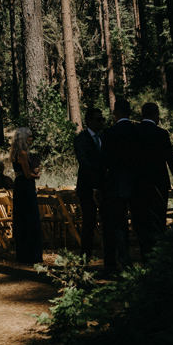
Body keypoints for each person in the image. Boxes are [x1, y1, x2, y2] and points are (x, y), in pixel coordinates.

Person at [133, 102, 173, 258]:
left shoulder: (134, 132)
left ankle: (145, 253)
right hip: (158, 183)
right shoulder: (161, 133)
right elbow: (170, 158)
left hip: (138, 184)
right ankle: (159, 253)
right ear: (155, 115)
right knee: (158, 218)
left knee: (141, 220)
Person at [99, 98, 141, 275]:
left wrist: (99, 186)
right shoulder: (138, 131)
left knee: (119, 223)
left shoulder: (108, 134)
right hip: (138, 183)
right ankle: (148, 259)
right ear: (129, 112)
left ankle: (124, 260)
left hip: (115, 184)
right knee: (140, 222)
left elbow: (103, 162)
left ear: (115, 113)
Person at [74, 107, 106, 262]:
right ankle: (85, 258)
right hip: (87, 187)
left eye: (103, 119)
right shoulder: (81, 139)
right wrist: (99, 173)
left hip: (105, 187)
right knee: (89, 223)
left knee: (108, 222)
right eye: (98, 119)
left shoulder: (105, 137)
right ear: (89, 121)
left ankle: (109, 258)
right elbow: (84, 162)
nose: (102, 122)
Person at [10, 126, 43, 264]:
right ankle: (32, 255)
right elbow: (28, 175)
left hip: (20, 185)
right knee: (31, 218)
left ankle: (25, 253)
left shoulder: (17, 152)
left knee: (23, 219)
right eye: (29, 136)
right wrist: (37, 174)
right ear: (23, 138)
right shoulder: (23, 153)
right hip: (25, 187)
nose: (31, 138)